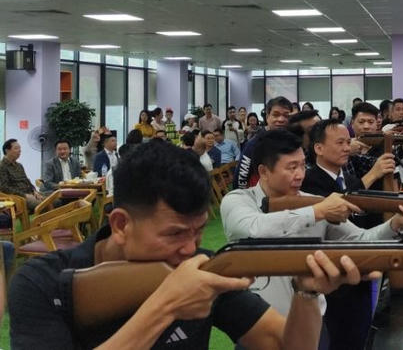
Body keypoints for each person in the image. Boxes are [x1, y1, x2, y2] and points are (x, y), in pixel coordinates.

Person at [9, 139, 364, 349]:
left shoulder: (200, 268)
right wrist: (165, 306)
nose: (190, 249)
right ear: (120, 225)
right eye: (175, 234)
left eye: (197, 232)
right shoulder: (43, 283)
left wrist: (306, 295)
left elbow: (285, 345)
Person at [220, 130, 403, 350]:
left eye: (302, 165)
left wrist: (395, 224)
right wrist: (317, 212)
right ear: (264, 171)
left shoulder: (316, 204)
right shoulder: (239, 200)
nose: (300, 174)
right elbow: (253, 228)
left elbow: (362, 239)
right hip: (259, 332)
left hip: (311, 325)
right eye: (291, 167)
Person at [305, 118, 393, 230]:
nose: (347, 148)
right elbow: (337, 203)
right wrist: (372, 175)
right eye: (340, 143)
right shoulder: (307, 181)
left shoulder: (351, 180)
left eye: (348, 142)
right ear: (319, 149)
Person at [234, 97, 292, 190]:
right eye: (276, 115)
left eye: (286, 115)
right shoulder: (254, 144)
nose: (281, 119)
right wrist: (242, 195)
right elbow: (241, 176)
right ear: (267, 117)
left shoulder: (291, 141)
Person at [0, 139, 44, 210]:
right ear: (7, 150)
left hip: (30, 194)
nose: (20, 151)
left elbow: (27, 181)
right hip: (19, 198)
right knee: (45, 205)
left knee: (55, 201)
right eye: (16, 148)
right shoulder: (2, 166)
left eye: (20, 148)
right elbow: (4, 187)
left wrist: (34, 191)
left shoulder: (19, 165)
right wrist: (24, 195)